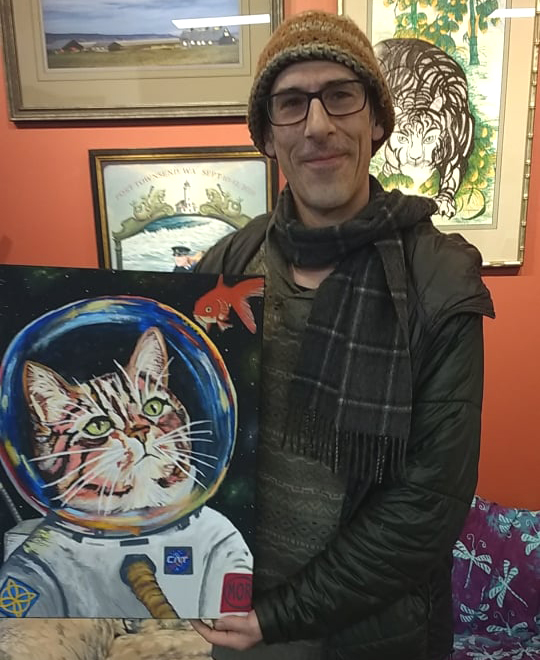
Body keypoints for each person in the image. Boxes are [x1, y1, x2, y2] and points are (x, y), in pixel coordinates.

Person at [191, 9, 495, 660]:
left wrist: (279, 618)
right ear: (267, 135)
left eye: (341, 95)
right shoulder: (225, 267)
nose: (318, 125)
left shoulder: (440, 282)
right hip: (238, 629)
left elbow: (425, 509)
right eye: (291, 103)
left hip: (376, 637)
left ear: (377, 121)